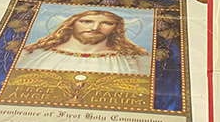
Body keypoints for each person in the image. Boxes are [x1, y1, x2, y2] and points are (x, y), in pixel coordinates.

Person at [15, 10, 150, 75]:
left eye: (107, 23)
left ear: (116, 29)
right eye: (86, 21)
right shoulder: (31, 54)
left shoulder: (136, 60)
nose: (95, 28)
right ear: (71, 25)